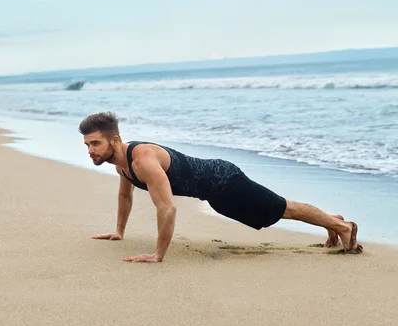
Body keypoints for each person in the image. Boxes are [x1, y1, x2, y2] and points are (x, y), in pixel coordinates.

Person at [79, 112, 363, 263]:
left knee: (281, 209)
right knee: (275, 212)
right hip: (214, 194)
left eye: (95, 143)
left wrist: (159, 255)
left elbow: (166, 207)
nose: (90, 150)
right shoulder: (121, 165)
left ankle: (344, 228)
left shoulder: (143, 159)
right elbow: (124, 195)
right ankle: (332, 223)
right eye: (87, 145)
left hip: (224, 180)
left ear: (114, 140)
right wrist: (119, 231)